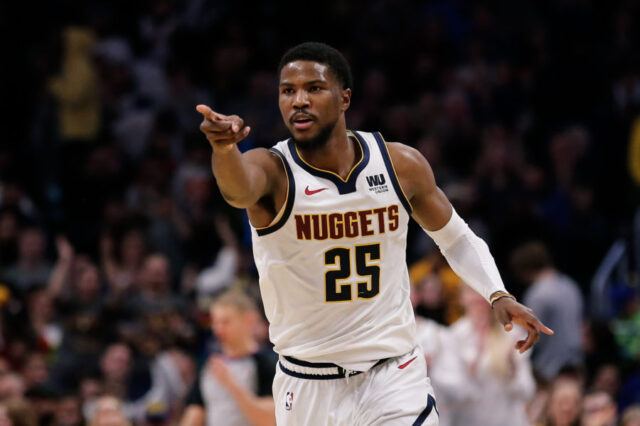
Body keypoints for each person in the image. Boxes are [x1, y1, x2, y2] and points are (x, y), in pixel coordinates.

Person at [196, 41, 553, 425]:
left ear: (344, 98)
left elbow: (455, 236)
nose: (299, 100)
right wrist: (224, 150)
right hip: (308, 383)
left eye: (313, 88)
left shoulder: (399, 164)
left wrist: (496, 291)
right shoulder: (272, 170)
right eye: (288, 91)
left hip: (393, 374)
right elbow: (236, 190)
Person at [180, 291, 277, 426]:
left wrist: (231, 385)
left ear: (249, 320)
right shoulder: (211, 366)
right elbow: (195, 414)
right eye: (215, 322)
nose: (218, 329)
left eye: (226, 322)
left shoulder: (267, 363)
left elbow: (270, 419)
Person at [511, 241, 584, 381]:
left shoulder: (537, 294)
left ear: (524, 270)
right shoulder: (570, 285)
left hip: (551, 369)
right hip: (576, 363)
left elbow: (531, 335)